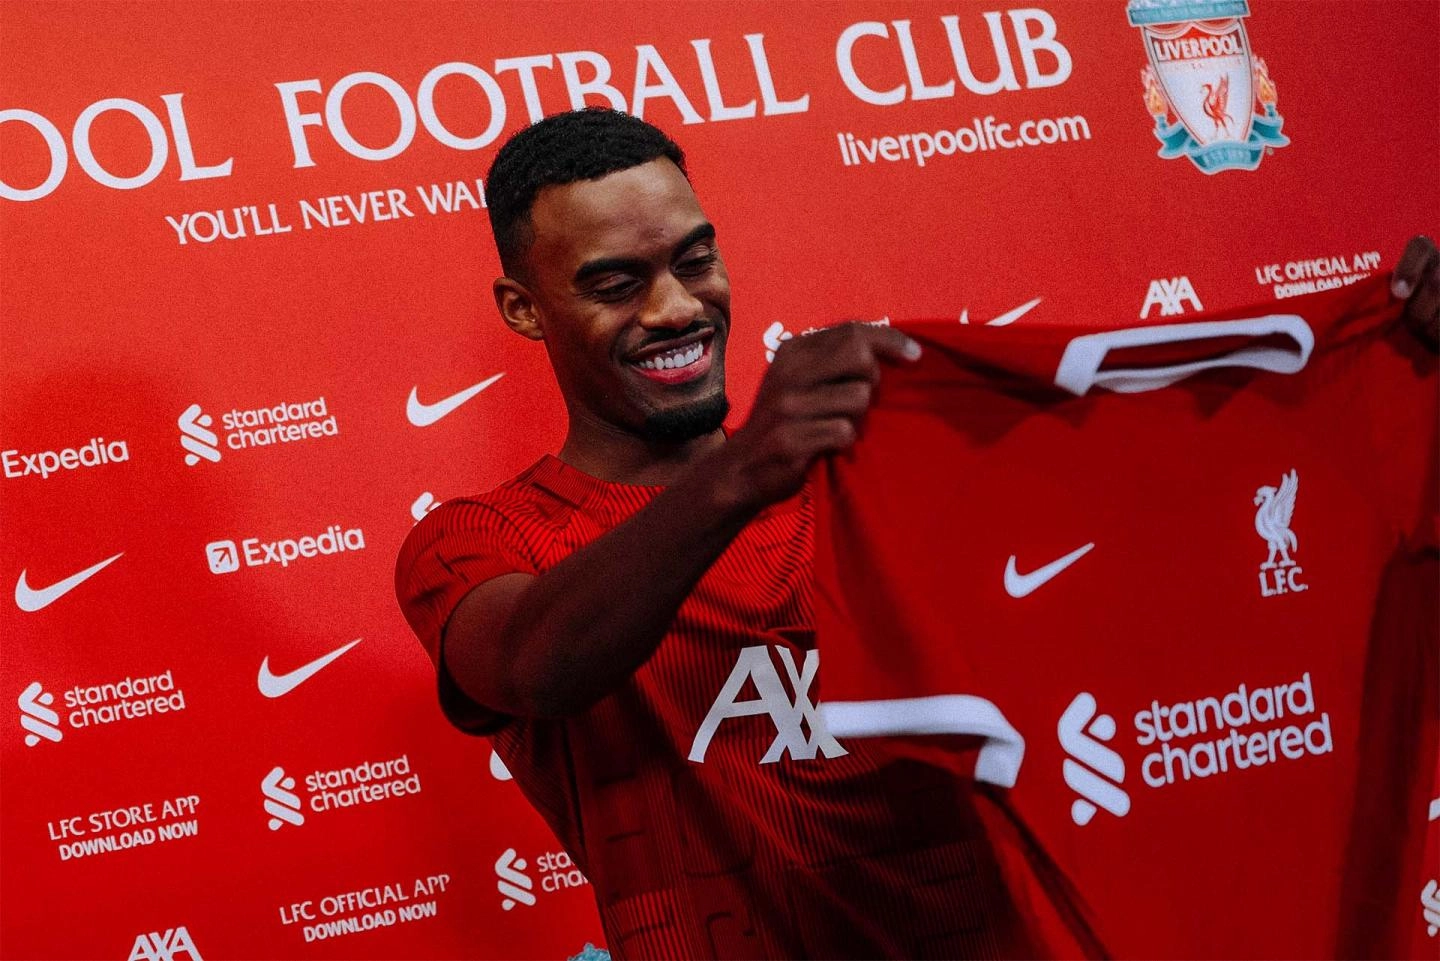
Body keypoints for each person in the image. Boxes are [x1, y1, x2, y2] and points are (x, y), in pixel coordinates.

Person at [396, 107, 1439, 959]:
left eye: (694, 260)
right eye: (616, 283)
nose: (676, 308)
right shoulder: (479, 539)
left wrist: (1393, 367)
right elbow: (534, 663)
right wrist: (743, 471)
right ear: (524, 308)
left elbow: (1211, 572)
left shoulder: (885, 473)